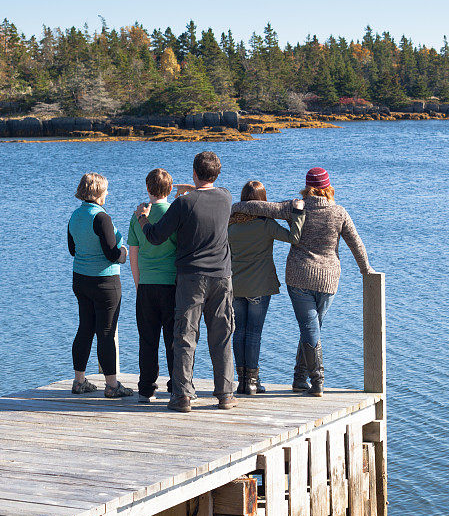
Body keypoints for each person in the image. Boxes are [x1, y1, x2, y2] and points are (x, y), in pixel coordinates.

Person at [230, 167, 373, 397]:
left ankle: (299, 378)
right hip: (328, 279)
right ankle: (317, 381)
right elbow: (355, 242)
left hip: (298, 276)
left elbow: (260, 206)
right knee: (312, 328)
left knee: (310, 328)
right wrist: (365, 269)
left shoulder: (295, 206)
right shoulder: (339, 212)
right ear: (328, 188)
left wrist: (236, 207)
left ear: (307, 187)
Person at [134, 151, 237, 413]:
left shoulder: (183, 204)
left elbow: (156, 236)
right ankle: (225, 394)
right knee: (222, 336)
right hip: (222, 277)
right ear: (217, 174)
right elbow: (210, 190)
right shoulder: (226, 198)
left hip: (191, 277)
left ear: (193, 172)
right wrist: (194, 188)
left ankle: (182, 396)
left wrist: (143, 219)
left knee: (185, 336)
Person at [228, 181, 306, 394]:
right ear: (264, 202)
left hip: (235, 285)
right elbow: (294, 238)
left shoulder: (230, 224)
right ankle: (253, 382)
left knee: (239, 332)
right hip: (260, 286)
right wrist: (297, 214)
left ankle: (241, 381)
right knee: (254, 333)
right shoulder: (266, 224)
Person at [67, 172, 132, 398]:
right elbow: (112, 254)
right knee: (106, 332)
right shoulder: (102, 217)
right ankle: (112, 385)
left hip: (80, 279)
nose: (107, 193)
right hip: (104, 282)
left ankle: (79, 381)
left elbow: (72, 250)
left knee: (85, 328)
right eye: (105, 190)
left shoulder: (75, 216)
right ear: (97, 193)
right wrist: (124, 252)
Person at [128, 168, 177, 402]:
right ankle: (176, 385)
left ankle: (146, 388)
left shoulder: (137, 215)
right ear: (170, 189)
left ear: (147, 189)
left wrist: (138, 284)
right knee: (173, 339)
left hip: (146, 285)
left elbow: (133, 254)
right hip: (172, 284)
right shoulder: (176, 213)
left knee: (147, 340)